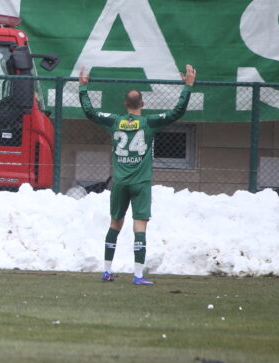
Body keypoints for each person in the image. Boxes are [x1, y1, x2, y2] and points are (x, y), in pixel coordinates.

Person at [78, 64, 196, 285]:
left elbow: (90, 113)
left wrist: (83, 89)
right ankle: (138, 275)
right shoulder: (149, 123)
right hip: (140, 183)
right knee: (139, 227)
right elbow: (177, 112)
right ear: (143, 104)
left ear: (125, 105)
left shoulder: (115, 121)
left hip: (120, 183)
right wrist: (187, 86)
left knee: (115, 224)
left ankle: (106, 270)